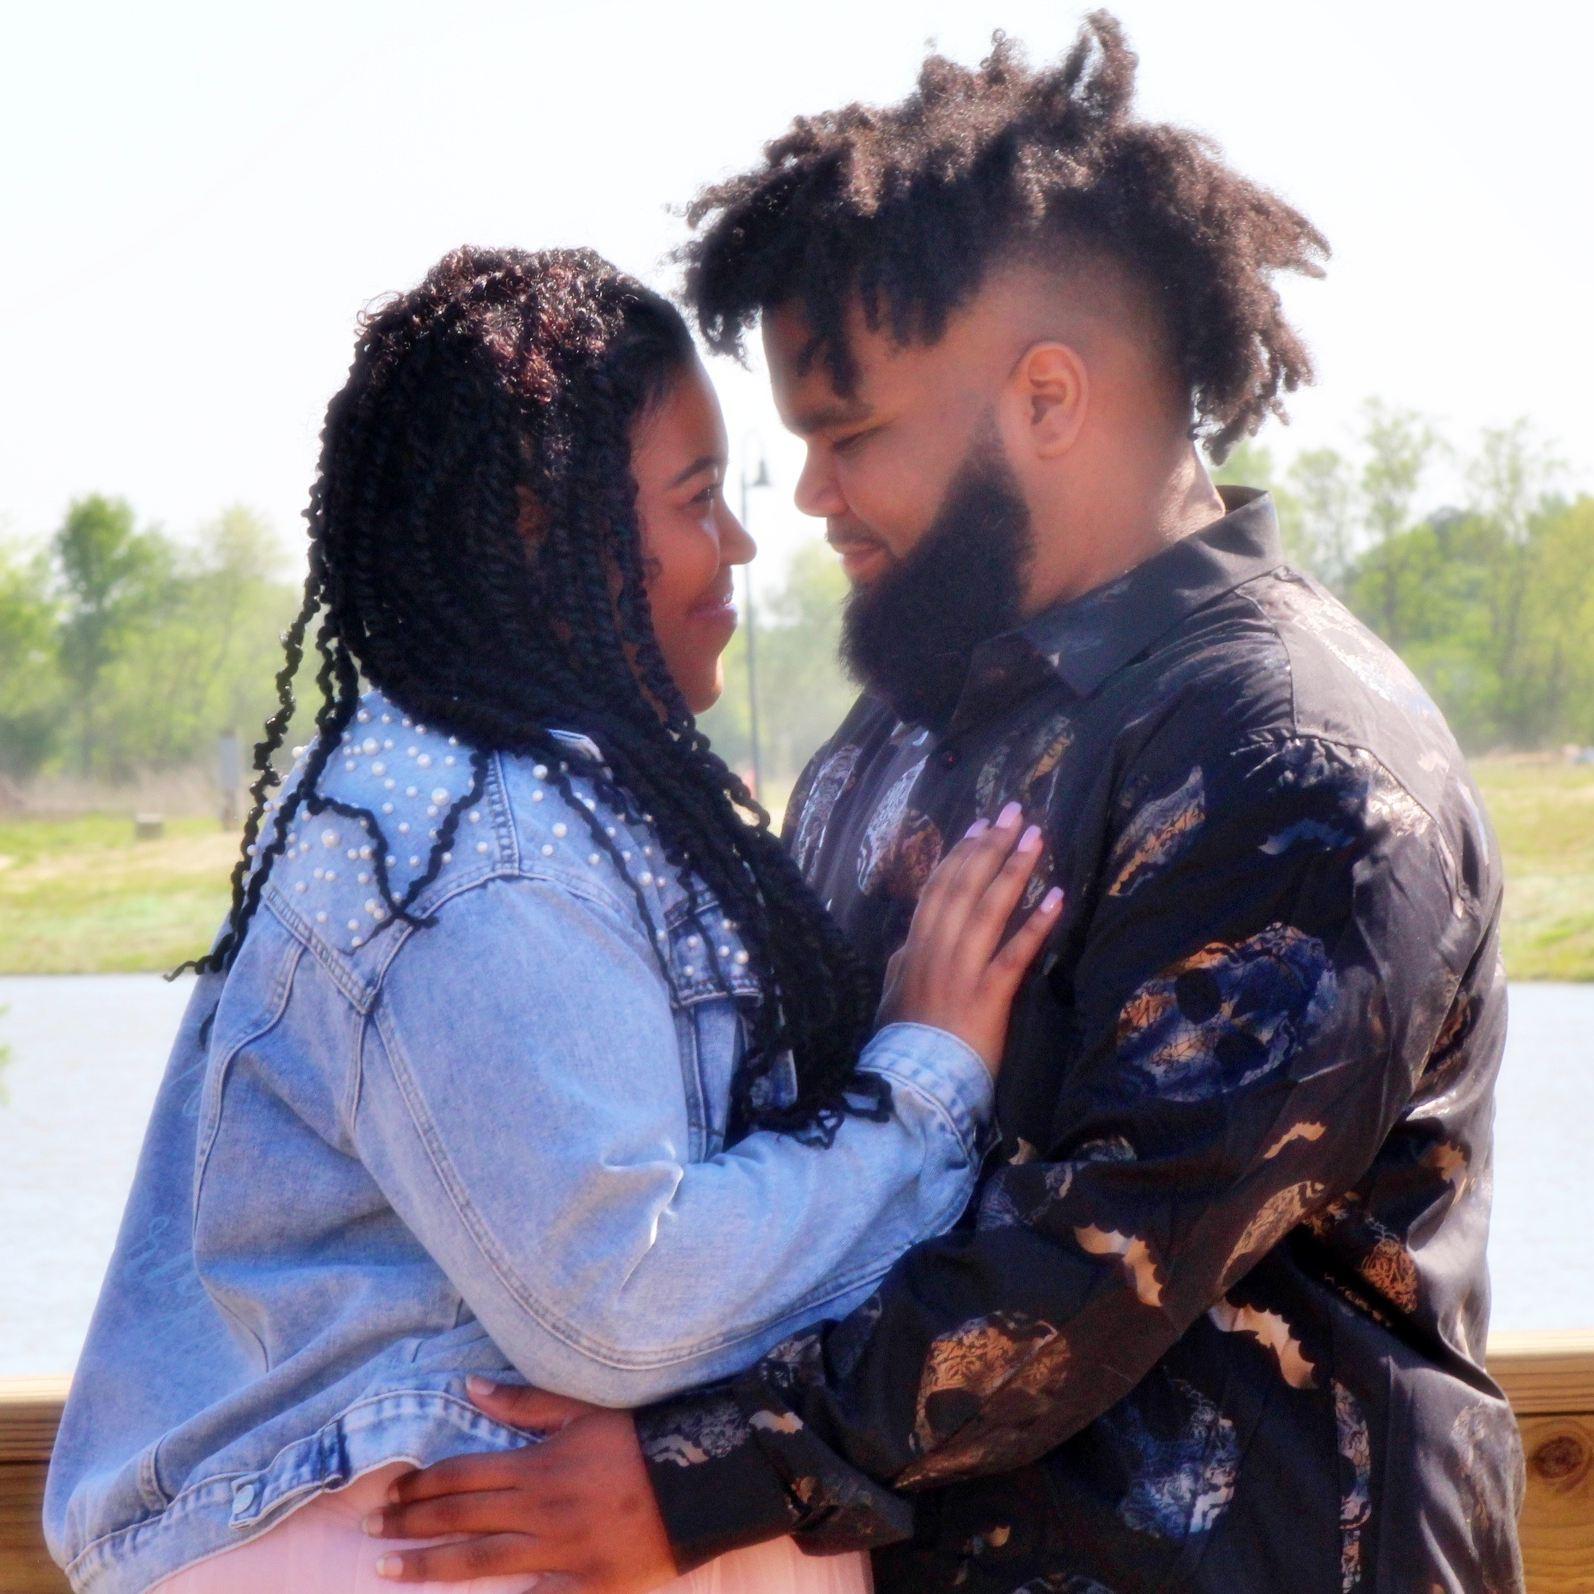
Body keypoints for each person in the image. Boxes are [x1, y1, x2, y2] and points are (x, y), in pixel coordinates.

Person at [367, 16, 1526, 1593]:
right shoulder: (890, 743)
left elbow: (1104, 1254)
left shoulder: (1298, 757)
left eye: (849, 435)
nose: (810, 497)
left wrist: (689, 1479)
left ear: (1046, 397)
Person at [42, 245, 1065, 1594]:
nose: (741, 540)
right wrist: (924, 1079)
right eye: (697, 498)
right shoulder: (473, 843)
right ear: (543, 527)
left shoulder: (534, 801)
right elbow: (622, 1295)